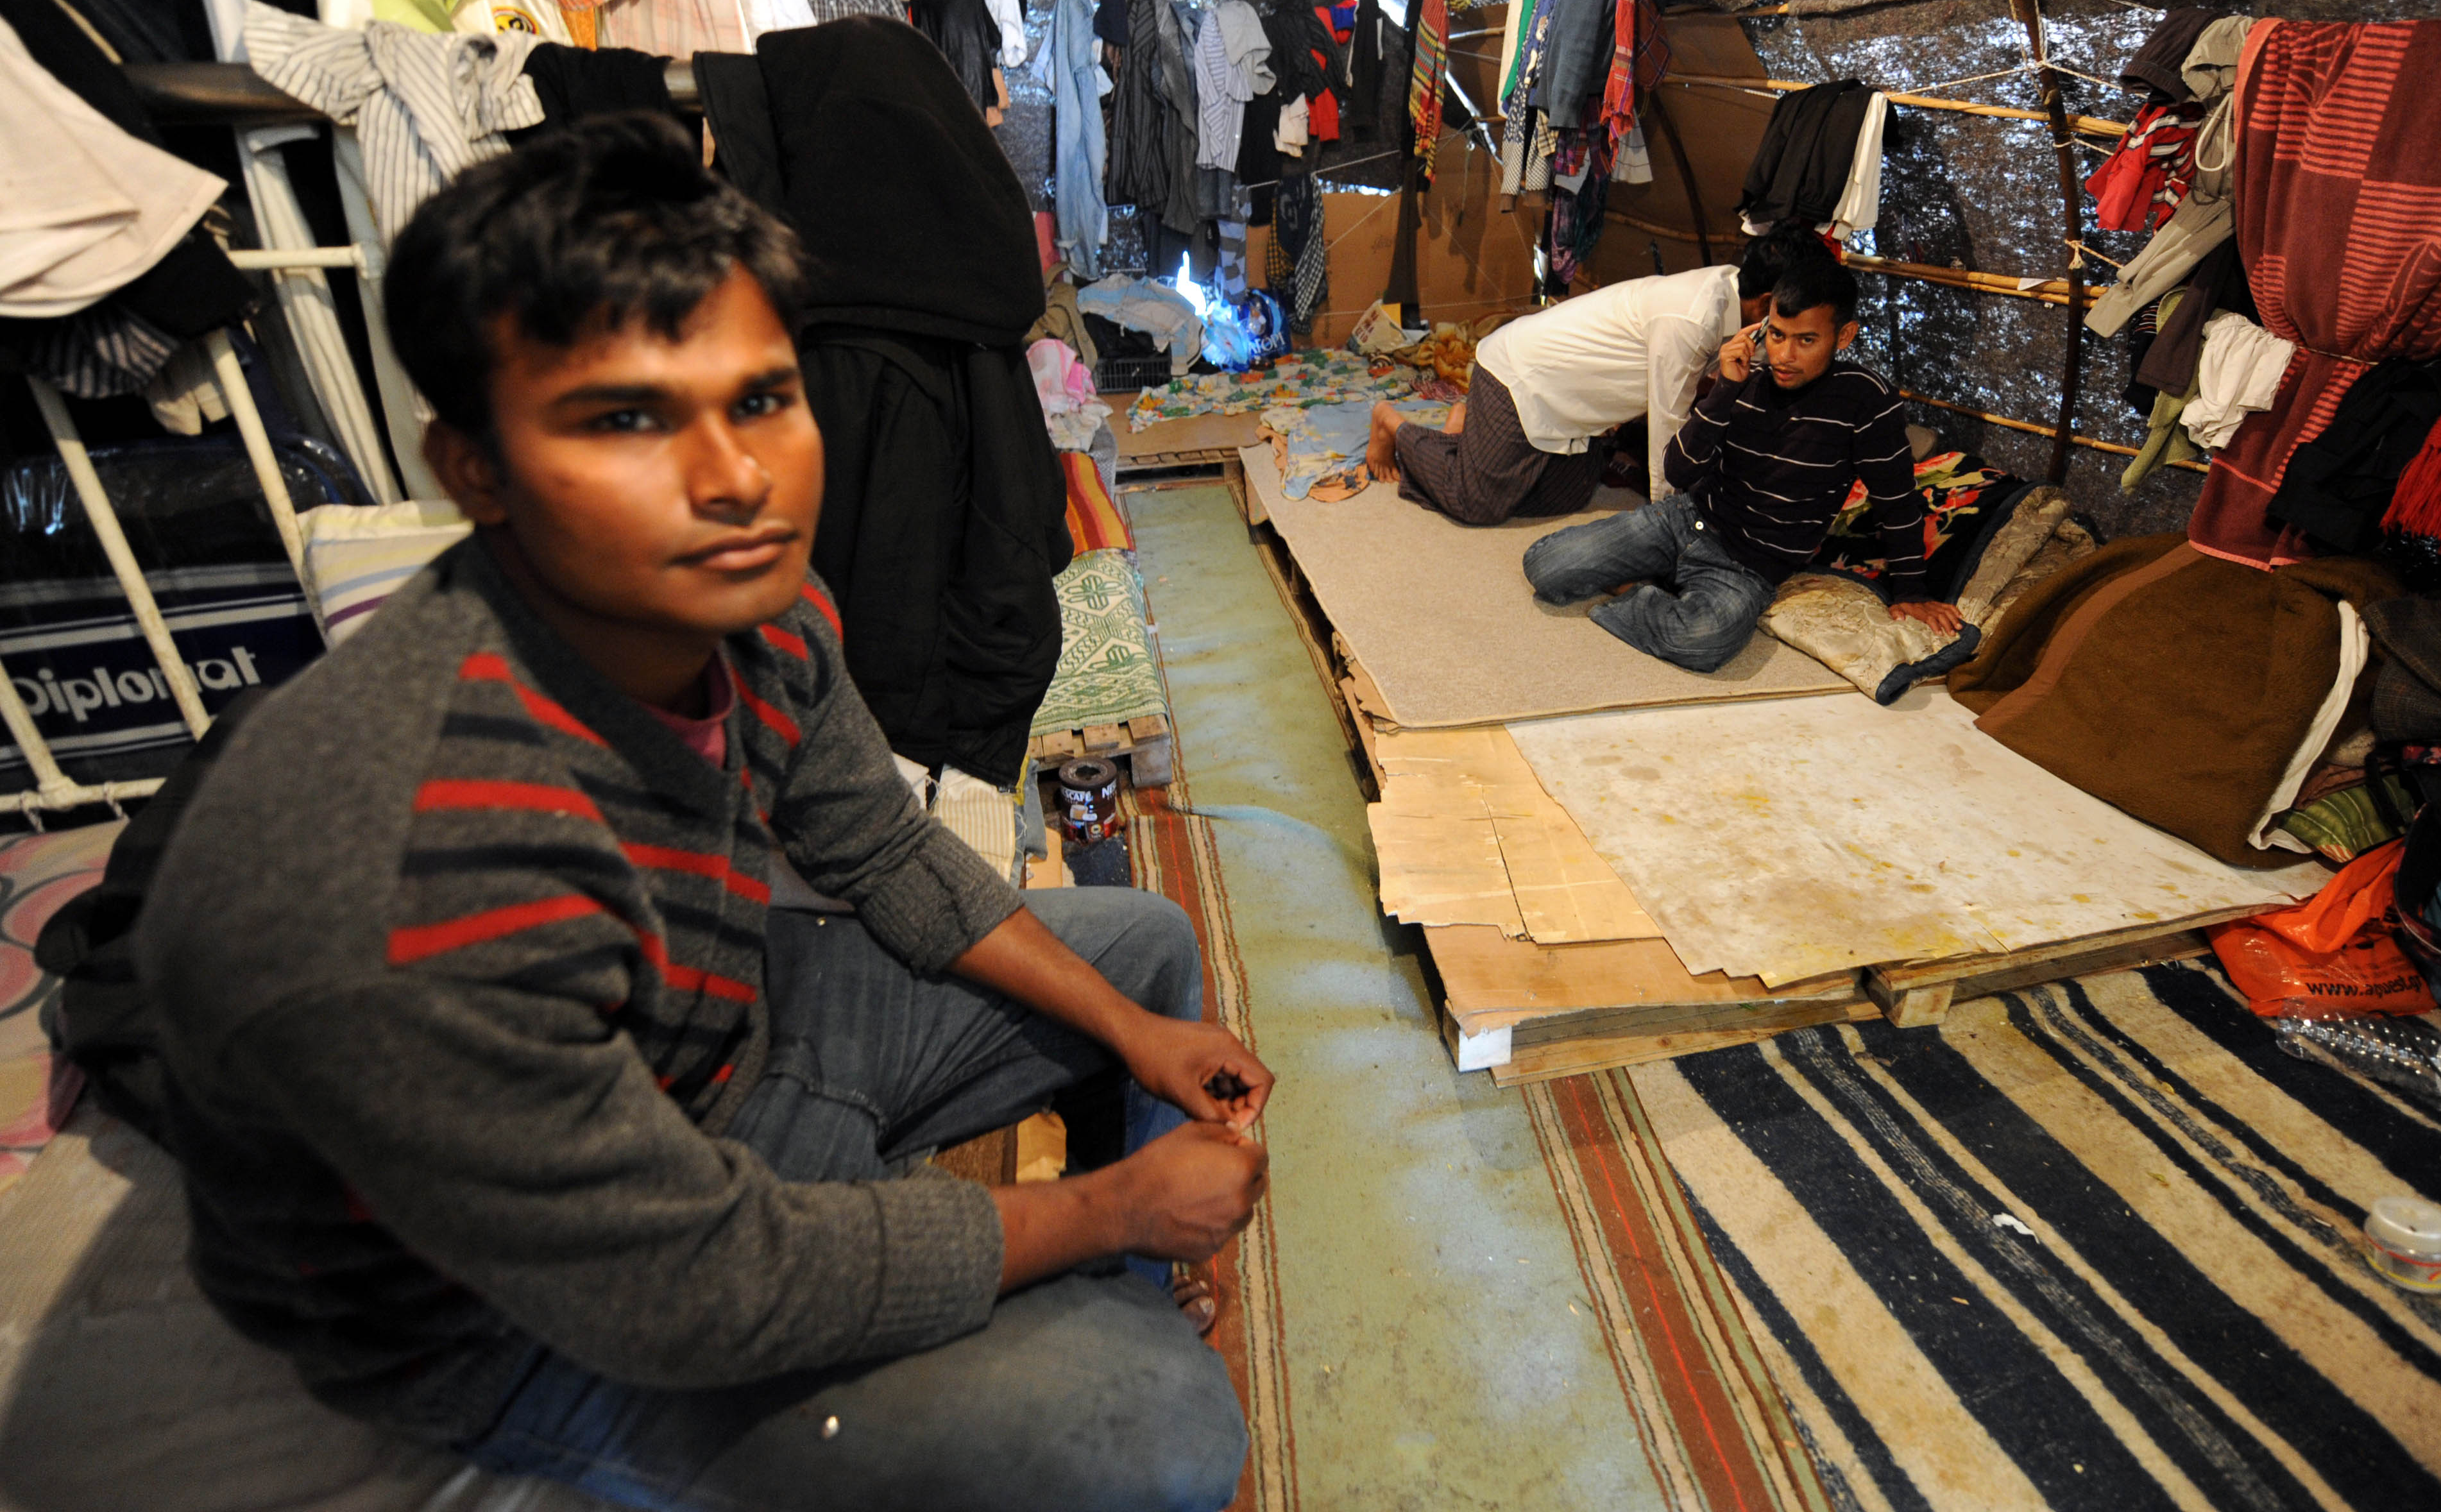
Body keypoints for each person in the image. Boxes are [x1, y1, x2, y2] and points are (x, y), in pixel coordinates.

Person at [130, 116, 1268, 1512]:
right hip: (522, 1321)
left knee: (1140, 957)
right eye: (624, 419)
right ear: (472, 468)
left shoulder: (759, 613)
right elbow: (688, 1287)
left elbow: (881, 846)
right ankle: (1095, 1272)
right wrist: (1098, 1210)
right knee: (1160, 1433)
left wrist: (1136, 1040)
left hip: (733, 1056)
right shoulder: (403, 862)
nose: (735, 478)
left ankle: (1109, 1269)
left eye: (761, 399)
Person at [1520, 251, 1966, 672]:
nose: (1784, 356)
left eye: (1806, 340)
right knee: (1547, 567)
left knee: (1704, 639)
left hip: (1748, 566)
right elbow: (1679, 472)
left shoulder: (1867, 400)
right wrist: (1724, 391)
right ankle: (1659, 582)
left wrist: (1911, 590)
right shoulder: (1744, 379)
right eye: (1777, 335)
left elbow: (1896, 499)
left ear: (1844, 336)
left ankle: (1640, 591)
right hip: (1686, 520)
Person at [1364, 237, 1811, 526]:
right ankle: (1395, 427)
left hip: (1571, 412)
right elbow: (1668, 432)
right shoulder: (1693, 318)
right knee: (1477, 504)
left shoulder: (1734, 296)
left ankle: (1465, 440)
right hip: (1517, 379)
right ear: (1767, 302)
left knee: (1572, 493)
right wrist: (1668, 525)